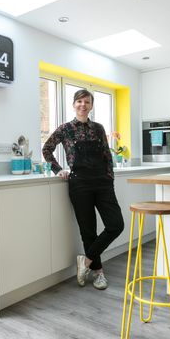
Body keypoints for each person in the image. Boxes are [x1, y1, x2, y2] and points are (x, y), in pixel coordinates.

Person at [42, 89, 124, 290]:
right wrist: (58, 170)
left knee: (116, 225)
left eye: (87, 102)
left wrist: (110, 178)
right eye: (79, 101)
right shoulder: (65, 129)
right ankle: (98, 274)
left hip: (102, 183)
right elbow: (47, 149)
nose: (83, 105)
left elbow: (107, 156)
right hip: (79, 184)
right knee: (88, 231)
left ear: (91, 105)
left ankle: (85, 261)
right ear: (74, 105)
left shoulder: (98, 128)